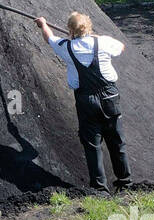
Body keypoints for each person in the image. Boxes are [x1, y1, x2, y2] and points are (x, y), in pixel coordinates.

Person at [35, 12, 131, 193]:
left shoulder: (66, 47)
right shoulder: (102, 42)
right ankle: (125, 183)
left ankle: (100, 189)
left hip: (86, 99)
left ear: (70, 30)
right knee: (116, 140)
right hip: (110, 96)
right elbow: (121, 47)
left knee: (92, 144)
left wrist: (43, 24)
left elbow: (50, 39)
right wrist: (98, 37)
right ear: (89, 27)